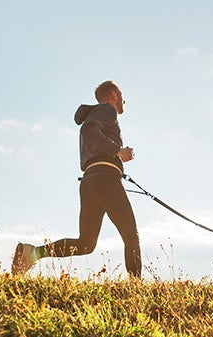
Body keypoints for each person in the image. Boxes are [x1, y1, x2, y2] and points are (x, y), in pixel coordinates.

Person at [12, 80, 142, 278]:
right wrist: (118, 151)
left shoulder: (96, 113)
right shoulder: (107, 110)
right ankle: (135, 288)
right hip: (106, 181)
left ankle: (32, 253)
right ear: (114, 95)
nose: (124, 100)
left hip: (90, 182)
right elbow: (88, 131)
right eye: (121, 95)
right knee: (131, 236)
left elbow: (90, 132)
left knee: (86, 243)